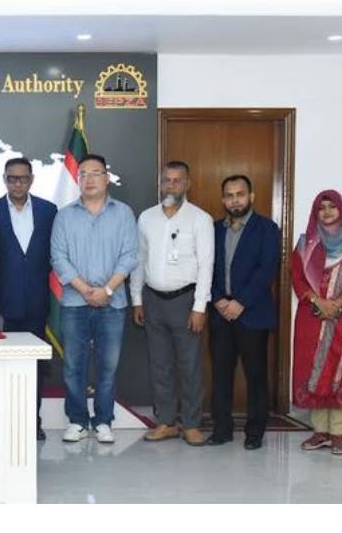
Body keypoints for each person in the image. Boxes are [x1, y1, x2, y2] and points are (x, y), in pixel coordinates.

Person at [50, 154, 138, 444]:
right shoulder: (64, 216)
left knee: (107, 367)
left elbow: (129, 256)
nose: (88, 179)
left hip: (112, 303)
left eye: (95, 173)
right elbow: (58, 258)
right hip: (74, 303)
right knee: (73, 366)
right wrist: (86, 290)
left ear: (106, 178)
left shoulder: (123, 213)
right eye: (83, 174)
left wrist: (107, 290)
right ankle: (77, 420)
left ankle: (103, 421)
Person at [130, 160, 214, 446]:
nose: (171, 185)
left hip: (185, 301)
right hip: (153, 300)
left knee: (189, 366)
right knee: (160, 365)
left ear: (187, 184)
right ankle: (166, 422)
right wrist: (137, 299)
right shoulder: (146, 218)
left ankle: (191, 424)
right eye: (167, 180)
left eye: (177, 181)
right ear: (161, 183)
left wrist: (199, 307)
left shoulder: (200, 219)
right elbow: (139, 260)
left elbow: (206, 265)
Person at [292, 190, 342, 456]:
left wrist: (336, 304)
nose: (327, 212)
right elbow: (297, 277)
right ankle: (320, 431)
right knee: (314, 370)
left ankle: (338, 433)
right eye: (321, 207)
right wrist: (318, 301)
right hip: (312, 315)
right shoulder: (306, 244)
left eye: (332, 206)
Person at [0, 157, 57, 439]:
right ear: (4, 180)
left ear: (31, 179)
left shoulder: (49, 211)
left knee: (34, 365)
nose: (17, 184)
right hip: (1, 304)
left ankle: (32, 421)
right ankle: (4, 423)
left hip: (37, 303)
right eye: (12, 178)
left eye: (23, 178)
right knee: (1, 366)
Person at [208, 175, 281, 450]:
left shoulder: (267, 228)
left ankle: (255, 433)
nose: (234, 200)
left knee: (256, 376)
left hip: (252, 314)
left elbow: (266, 269)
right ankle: (222, 430)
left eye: (240, 194)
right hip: (220, 313)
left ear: (251, 196)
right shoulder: (213, 229)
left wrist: (241, 302)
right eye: (229, 195)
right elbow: (204, 267)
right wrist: (217, 299)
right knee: (221, 375)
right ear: (223, 199)